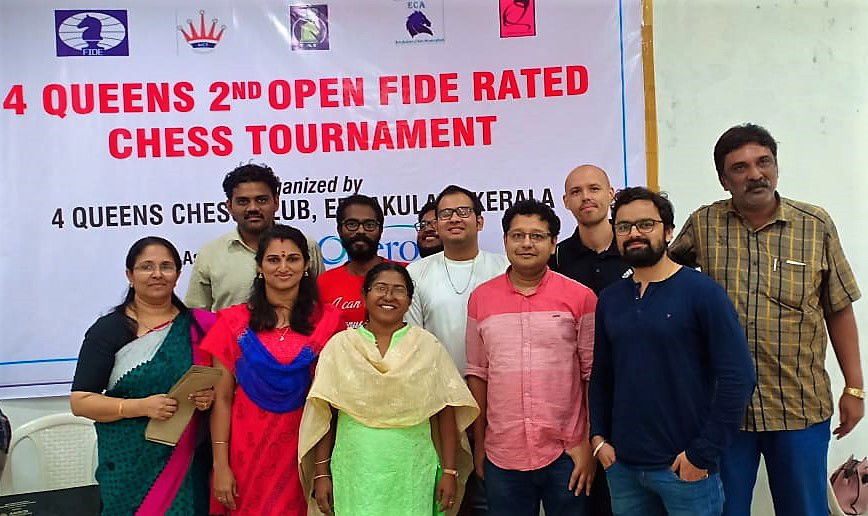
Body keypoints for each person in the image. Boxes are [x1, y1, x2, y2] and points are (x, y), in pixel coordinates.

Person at [669, 123, 864, 516]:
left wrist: (855, 388)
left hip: (799, 405)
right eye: (739, 167)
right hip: (725, 411)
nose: (755, 174)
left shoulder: (815, 224)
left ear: (776, 166)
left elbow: (838, 307)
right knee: (724, 510)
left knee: (806, 509)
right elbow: (663, 280)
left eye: (764, 162)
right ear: (724, 180)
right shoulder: (704, 225)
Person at [589, 187, 756, 516]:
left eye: (645, 224)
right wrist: (598, 438)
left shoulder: (702, 292)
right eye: (623, 226)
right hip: (623, 468)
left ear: (668, 231)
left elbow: (739, 378)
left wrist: (702, 454)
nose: (634, 234)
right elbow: (602, 375)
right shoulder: (610, 299)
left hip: (684, 469)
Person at [299, 263, 479, 515]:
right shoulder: (340, 347)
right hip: (355, 468)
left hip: (412, 467)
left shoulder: (427, 346)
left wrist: (449, 471)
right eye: (380, 288)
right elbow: (324, 414)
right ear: (364, 296)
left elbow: (445, 411)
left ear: (409, 301)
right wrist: (321, 473)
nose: (389, 296)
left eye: (399, 290)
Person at [465, 199, 596, 516]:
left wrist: (588, 443)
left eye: (537, 236)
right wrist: (480, 445)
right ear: (505, 240)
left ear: (553, 243)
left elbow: (592, 376)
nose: (526, 243)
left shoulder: (581, 298)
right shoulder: (481, 299)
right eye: (517, 235)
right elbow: (478, 375)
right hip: (502, 453)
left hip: (567, 452)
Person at [70, 236, 218, 515]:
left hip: (187, 462)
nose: (157, 274)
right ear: (130, 275)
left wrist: (207, 398)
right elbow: (81, 402)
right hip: (127, 463)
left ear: (178, 275)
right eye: (146, 266)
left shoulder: (200, 326)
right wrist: (139, 406)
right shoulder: (108, 330)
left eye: (166, 266)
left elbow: (221, 386)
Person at [203, 225, 343, 515]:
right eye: (273, 260)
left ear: (306, 265)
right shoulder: (233, 323)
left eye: (292, 259)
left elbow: (331, 404)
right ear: (259, 267)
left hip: (303, 449)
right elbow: (222, 399)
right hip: (246, 452)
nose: (283, 267)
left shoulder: (329, 323)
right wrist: (221, 464)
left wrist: (322, 470)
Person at [185, 163, 325, 311]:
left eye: (261, 200)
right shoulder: (210, 254)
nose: (253, 208)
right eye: (243, 201)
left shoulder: (306, 246)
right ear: (229, 207)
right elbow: (196, 316)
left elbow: (321, 303)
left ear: (276, 202)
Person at [406, 185, 510, 372]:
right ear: (437, 225)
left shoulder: (505, 268)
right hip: (438, 384)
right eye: (446, 214)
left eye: (463, 212)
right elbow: (414, 342)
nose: (454, 219)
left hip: (498, 382)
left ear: (479, 222)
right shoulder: (415, 273)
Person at [317, 195, 405, 328]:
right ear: (339, 230)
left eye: (369, 225)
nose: (360, 231)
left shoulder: (405, 274)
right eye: (352, 224)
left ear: (381, 230)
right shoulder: (324, 283)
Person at [550, 164, 630, 295]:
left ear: (610, 194)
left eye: (594, 189)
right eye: (576, 192)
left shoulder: (633, 246)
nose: (585, 197)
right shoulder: (556, 258)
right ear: (566, 201)